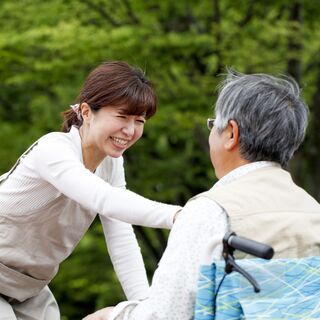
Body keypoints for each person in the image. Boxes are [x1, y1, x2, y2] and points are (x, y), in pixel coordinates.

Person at [84, 70, 320, 320]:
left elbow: (167, 314)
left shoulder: (212, 210)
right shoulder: (312, 210)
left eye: (212, 125)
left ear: (231, 133)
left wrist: (112, 315)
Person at [0, 61, 181, 319]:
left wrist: (145, 306)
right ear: (86, 111)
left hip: (30, 288)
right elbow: (106, 199)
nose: (129, 131)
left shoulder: (111, 163)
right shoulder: (53, 149)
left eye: (139, 120)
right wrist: (180, 216)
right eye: (121, 116)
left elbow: (120, 234)